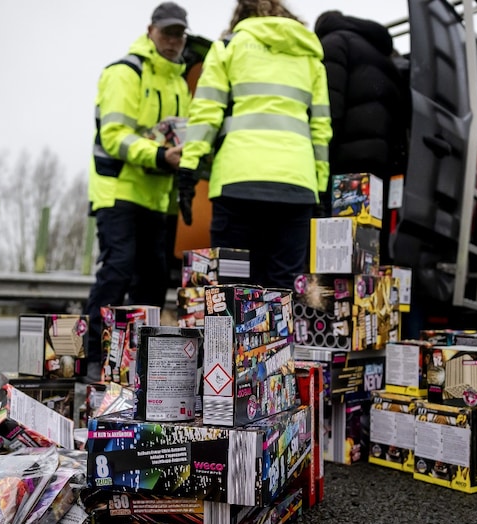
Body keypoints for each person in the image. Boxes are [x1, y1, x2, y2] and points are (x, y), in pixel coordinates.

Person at [176, 0, 332, 289]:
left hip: (238, 184)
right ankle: (281, 337)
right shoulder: (310, 58)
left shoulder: (228, 48)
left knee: (233, 286)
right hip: (296, 187)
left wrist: (188, 169)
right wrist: (321, 188)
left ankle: (232, 337)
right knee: (284, 287)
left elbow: (206, 114)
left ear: (241, 15)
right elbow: (321, 129)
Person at [85, 2, 192, 379]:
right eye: (167, 32)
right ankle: (93, 355)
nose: (173, 40)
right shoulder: (124, 72)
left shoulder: (181, 82)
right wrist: (162, 154)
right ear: (151, 31)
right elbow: (114, 137)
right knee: (117, 270)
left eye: (179, 33)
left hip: (157, 196)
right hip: (119, 191)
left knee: (153, 278)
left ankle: (137, 363)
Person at [314, 10, 408, 181]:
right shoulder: (386, 60)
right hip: (379, 164)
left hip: (345, 163)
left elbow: (330, 105)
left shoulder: (333, 43)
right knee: (361, 208)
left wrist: (320, 156)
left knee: (344, 207)